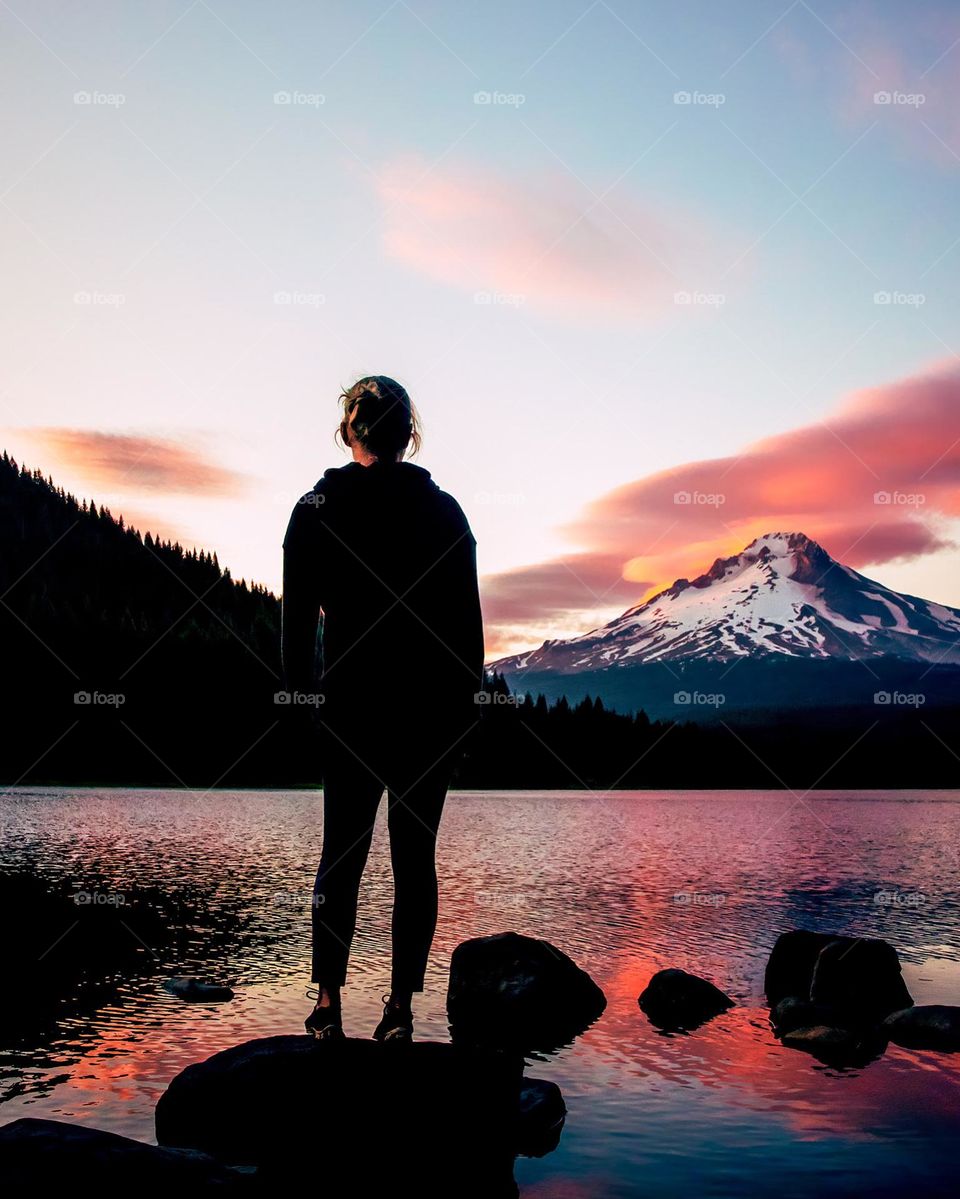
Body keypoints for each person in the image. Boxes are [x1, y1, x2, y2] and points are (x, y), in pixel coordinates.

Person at [281, 375, 484, 1043]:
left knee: (340, 856)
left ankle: (327, 1002)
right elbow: (467, 636)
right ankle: (399, 1010)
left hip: (349, 708)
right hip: (428, 714)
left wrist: (297, 699)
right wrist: (464, 716)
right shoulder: (446, 512)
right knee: (414, 859)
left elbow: (294, 621)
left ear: (351, 430)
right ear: (408, 435)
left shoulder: (316, 506)